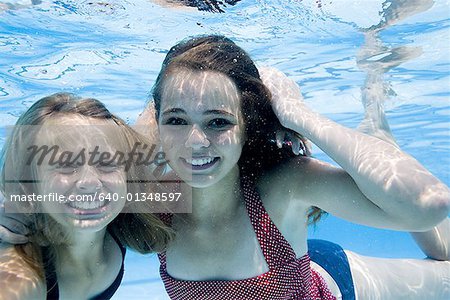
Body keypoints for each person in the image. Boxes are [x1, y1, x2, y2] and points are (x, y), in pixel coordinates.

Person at [147, 35, 449, 299]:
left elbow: (429, 204)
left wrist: (298, 114)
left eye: (218, 122)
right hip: (296, 257)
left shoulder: (283, 187)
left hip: (337, 280)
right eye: (176, 120)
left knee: (446, 269)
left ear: (246, 126)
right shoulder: (158, 200)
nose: (195, 142)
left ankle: (381, 140)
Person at [0, 93, 173, 299]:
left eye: (107, 162)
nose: (89, 183)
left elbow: (157, 111)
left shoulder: (120, 215)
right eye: (66, 165)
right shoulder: (20, 272)